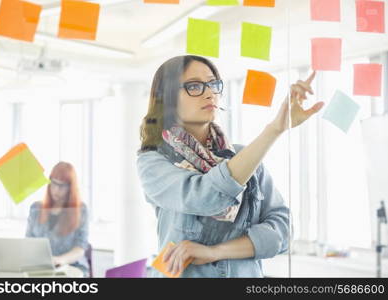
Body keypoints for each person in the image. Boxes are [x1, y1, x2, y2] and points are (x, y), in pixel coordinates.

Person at [137, 55, 324, 277]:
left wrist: (214, 252)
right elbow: (206, 197)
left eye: (213, 84)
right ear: (167, 98)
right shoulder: (154, 161)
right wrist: (273, 130)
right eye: (194, 86)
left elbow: (283, 231)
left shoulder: (244, 157)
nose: (209, 93)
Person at [26, 162, 90, 277]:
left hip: (72, 267)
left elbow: (80, 247)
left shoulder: (81, 210)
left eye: (62, 186)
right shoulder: (36, 208)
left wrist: (60, 260)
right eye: (53, 183)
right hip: (41, 268)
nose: (56, 190)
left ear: (71, 188)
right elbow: (28, 242)